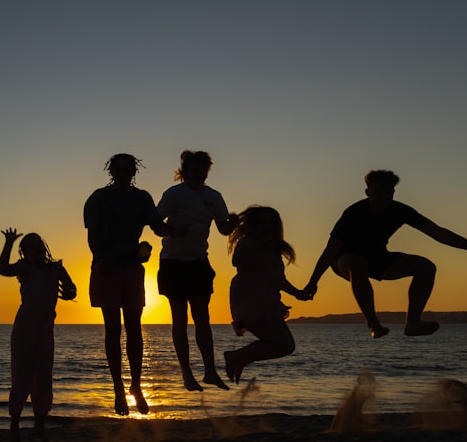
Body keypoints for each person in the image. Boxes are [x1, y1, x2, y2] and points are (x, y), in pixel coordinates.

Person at [302, 170, 467, 338]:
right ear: (367, 192)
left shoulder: (400, 211)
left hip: (379, 259)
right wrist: (312, 283)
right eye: (378, 192)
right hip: (344, 261)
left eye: (389, 193)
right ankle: (374, 325)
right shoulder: (354, 212)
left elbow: (439, 233)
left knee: (426, 266)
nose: (384, 198)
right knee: (357, 262)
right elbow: (330, 250)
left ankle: (413, 323)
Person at [84, 153, 170, 416]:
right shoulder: (99, 197)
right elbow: (93, 235)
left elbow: (158, 226)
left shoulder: (141, 198)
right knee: (112, 329)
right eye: (118, 168)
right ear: (111, 170)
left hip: (132, 267)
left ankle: (135, 386)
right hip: (106, 267)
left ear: (134, 171)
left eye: (127, 169)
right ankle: (118, 389)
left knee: (134, 328)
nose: (122, 172)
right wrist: (100, 259)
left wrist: (180, 222)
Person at [156, 150, 238, 391]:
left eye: (203, 169)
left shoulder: (214, 196)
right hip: (173, 263)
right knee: (179, 320)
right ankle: (186, 374)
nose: (200, 173)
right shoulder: (173, 194)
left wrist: (233, 223)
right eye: (195, 169)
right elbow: (156, 224)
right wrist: (171, 230)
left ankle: (210, 371)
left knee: (203, 319)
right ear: (184, 171)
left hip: (199, 262)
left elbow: (224, 229)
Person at [0, 228, 77, 442]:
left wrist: (70, 292)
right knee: (21, 375)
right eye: (30, 246)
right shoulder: (26, 267)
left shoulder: (56, 268)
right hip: (25, 328)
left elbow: (72, 288)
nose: (36, 248)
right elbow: (2, 269)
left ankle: (39, 427)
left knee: (43, 377)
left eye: (38, 244)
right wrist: (9, 243)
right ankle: (14, 428)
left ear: (44, 247)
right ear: (25, 252)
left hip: (45, 329)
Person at [223, 206, 308, 384]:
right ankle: (234, 356)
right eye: (262, 223)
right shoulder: (248, 242)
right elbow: (236, 261)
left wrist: (297, 293)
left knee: (285, 345)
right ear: (254, 224)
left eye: (271, 223)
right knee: (283, 344)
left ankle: (240, 358)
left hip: (269, 300)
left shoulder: (274, 247)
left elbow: (278, 278)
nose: (267, 227)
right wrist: (260, 245)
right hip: (250, 299)